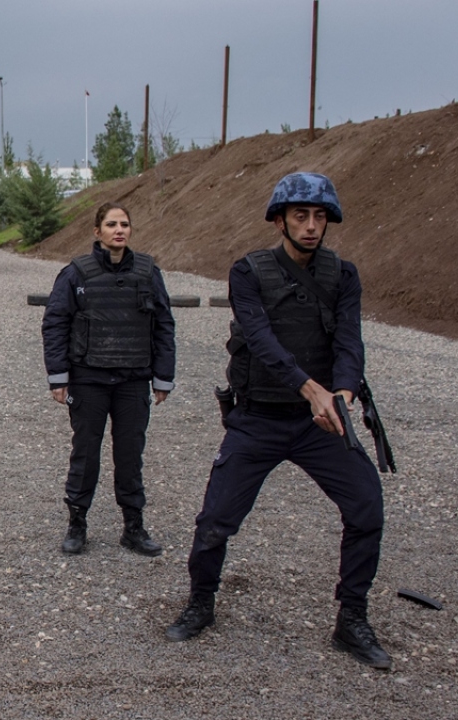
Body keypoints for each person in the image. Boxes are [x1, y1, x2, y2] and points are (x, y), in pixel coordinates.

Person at [165, 172, 391, 671]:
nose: (311, 226)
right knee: (215, 521)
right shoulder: (248, 271)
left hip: (320, 423)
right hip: (259, 418)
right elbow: (262, 340)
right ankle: (202, 602)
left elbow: (350, 342)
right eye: (300, 216)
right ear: (281, 220)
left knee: (367, 509)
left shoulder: (343, 275)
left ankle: (351, 618)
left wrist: (344, 394)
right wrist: (311, 389)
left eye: (319, 217)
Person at [42, 202, 176, 556]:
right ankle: (77, 525)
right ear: (96, 231)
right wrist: (58, 377)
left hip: (133, 380)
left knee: (130, 454)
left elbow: (164, 325)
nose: (120, 230)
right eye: (112, 224)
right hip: (88, 379)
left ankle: (133, 527)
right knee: (85, 453)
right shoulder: (76, 274)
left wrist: (163, 377)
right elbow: (55, 323)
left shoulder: (148, 273)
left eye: (125, 224)